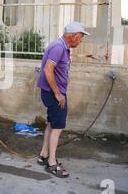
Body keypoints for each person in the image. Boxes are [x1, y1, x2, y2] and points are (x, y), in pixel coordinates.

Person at [36, 21, 90, 178]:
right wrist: (58, 94)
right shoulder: (59, 47)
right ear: (72, 36)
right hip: (55, 94)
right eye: (80, 37)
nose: (81, 40)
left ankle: (43, 155)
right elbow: (48, 70)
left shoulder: (61, 46)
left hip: (52, 92)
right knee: (57, 128)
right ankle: (52, 163)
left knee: (52, 124)